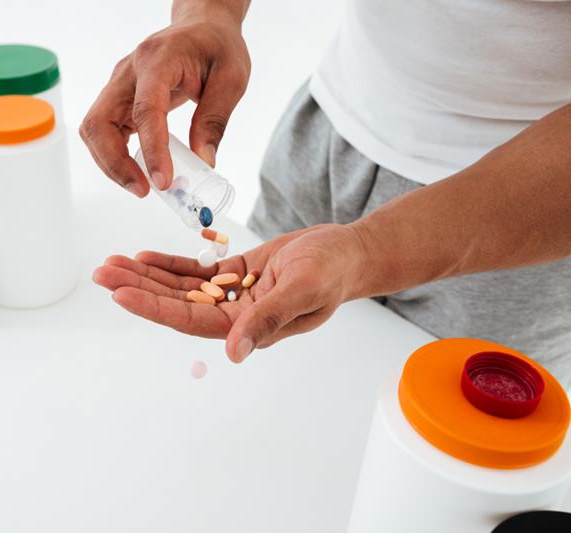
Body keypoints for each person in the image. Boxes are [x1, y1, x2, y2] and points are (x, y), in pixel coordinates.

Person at [81, 0, 571, 385]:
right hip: (325, 135)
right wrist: (209, 14)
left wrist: (366, 250)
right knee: (291, 380)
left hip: (515, 202)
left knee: (438, 449)